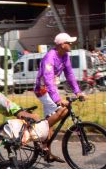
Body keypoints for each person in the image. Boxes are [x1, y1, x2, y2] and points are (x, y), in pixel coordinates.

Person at [34, 32, 87, 160]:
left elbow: (69, 75)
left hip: (51, 90)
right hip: (42, 90)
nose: (71, 44)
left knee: (52, 121)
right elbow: (47, 80)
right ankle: (40, 132)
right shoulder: (50, 57)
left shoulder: (65, 56)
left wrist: (77, 91)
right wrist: (58, 100)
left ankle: (47, 153)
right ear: (62, 44)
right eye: (69, 43)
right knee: (62, 111)